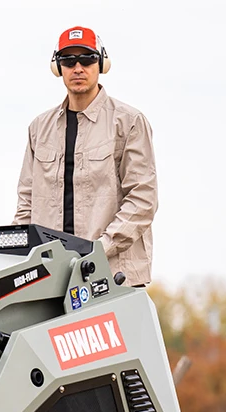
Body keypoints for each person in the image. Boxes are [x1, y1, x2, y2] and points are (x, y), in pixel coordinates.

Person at [13, 26, 157, 286]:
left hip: (113, 276)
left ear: (101, 63)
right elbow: (26, 202)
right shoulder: (39, 128)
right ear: (58, 68)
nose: (77, 67)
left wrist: (99, 249)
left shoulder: (129, 122)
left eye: (87, 58)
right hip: (50, 279)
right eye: (68, 60)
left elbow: (142, 200)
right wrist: (18, 256)